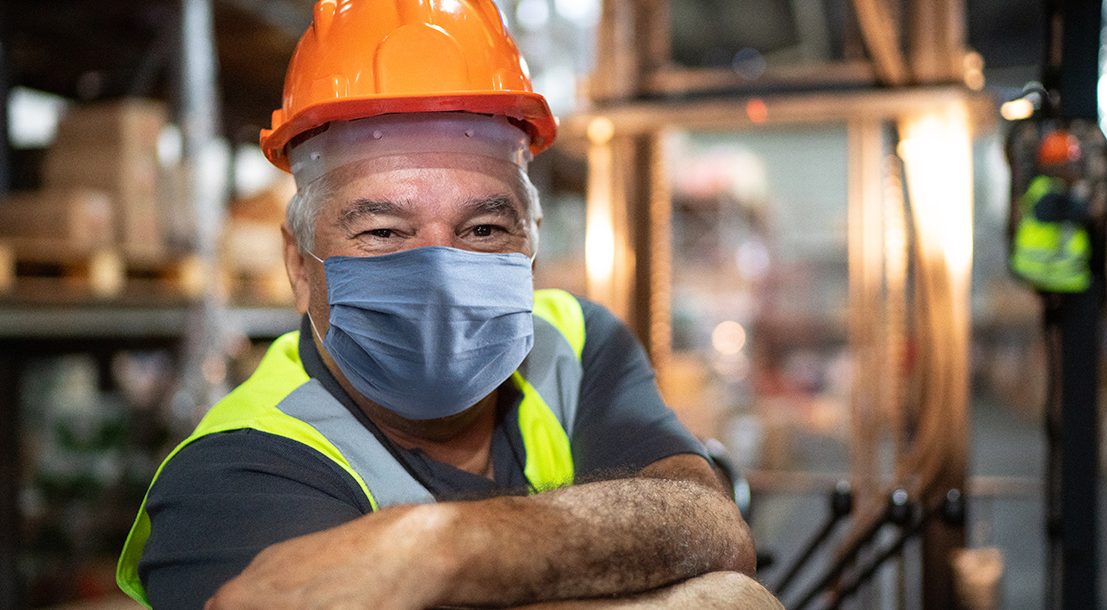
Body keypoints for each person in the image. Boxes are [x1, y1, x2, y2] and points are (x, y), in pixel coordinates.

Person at [115, 1, 778, 608]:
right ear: (298, 263)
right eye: (382, 232)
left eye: (483, 230)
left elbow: (709, 524)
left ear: (531, 242)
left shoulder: (573, 343)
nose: (440, 273)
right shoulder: (233, 476)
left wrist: (440, 549)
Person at [1009, 129, 1093, 293]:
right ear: (1058, 165)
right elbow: (1082, 213)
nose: (1075, 169)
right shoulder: (1050, 194)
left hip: (1050, 273)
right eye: (1071, 164)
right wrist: (1081, 194)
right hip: (1054, 275)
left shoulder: (1046, 188)